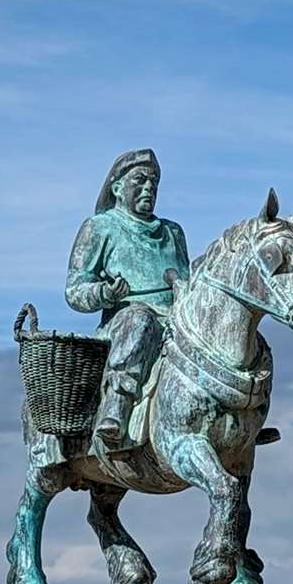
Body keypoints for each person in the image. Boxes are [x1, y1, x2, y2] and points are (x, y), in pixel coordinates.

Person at [67, 148, 190, 447]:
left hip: (173, 321)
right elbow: (74, 290)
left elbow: (187, 282)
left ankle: (240, 417)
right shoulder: (100, 227)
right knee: (140, 320)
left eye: (154, 182)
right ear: (118, 187)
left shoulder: (173, 232)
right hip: (125, 326)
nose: (149, 187)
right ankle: (116, 408)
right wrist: (104, 293)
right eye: (140, 180)